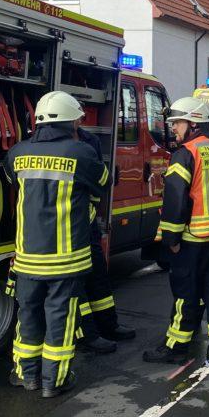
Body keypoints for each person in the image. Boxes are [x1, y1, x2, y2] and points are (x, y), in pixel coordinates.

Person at [5, 91, 109, 398]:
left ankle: (28, 376)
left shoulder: (17, 153)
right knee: (59, 319)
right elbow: (103, 182)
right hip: (67, 259)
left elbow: (12, 180)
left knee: (28, 316)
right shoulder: (81, 153)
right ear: (71, 122)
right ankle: (54, 381)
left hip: (27, 257)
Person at [144, 97, 209, 365]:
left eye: (177, 123)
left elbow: (176, 200)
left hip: (192, 237)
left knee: (185, 293)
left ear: (194, 123)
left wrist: (171, 239)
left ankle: (176, 347)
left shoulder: (186, 153)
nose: (173, 128)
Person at [74, 127, 136, 354]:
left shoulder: (89, 140)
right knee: (75, 284)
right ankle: (87, 335)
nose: (80, 118)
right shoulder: (54, 146)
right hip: (68, 228)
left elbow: (102, 180)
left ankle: (108, 325)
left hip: (87, 222)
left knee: (98, 276)